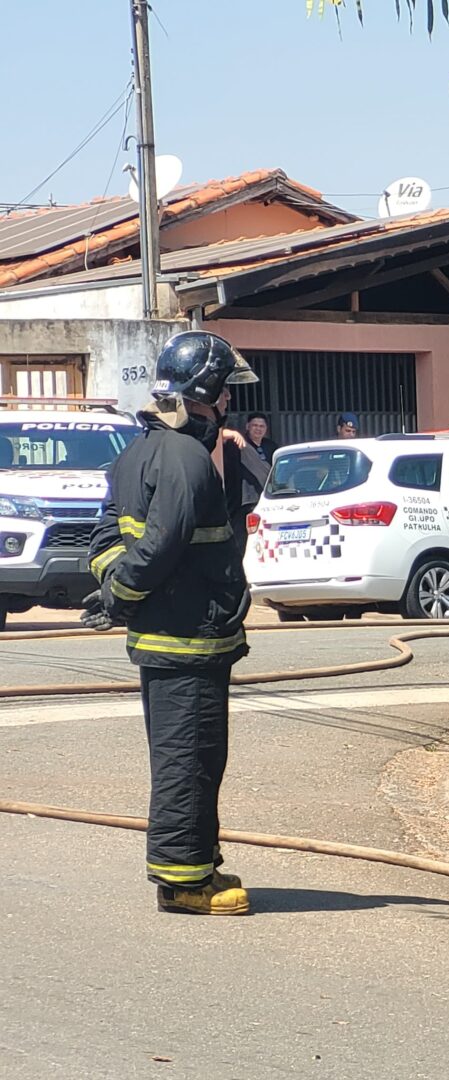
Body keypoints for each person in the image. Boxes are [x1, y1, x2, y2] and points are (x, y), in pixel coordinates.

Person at [83, 331, 260, 915]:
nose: (231, 404)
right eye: (227, 392)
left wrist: (114, 587)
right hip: (189, 638)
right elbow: (162, 543)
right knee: (190, 755)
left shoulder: (136, 455)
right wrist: (125, 594)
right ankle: (184, 882)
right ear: (208, 393)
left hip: (171, 635)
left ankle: (196, 861)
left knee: (195, 755)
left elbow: (104, 539)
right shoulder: (186, 457)